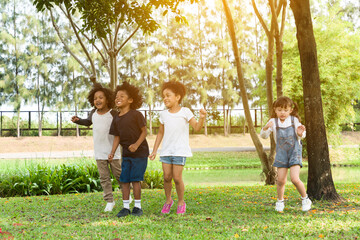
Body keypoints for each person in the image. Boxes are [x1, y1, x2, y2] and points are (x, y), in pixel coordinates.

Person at [149, 81, 206, 215]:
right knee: (167, 177)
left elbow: (197, 127)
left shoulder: (185, 112)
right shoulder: (163, 114)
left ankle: (181, 202)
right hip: (166, 151)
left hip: (180, 151)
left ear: (178, 97)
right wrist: (155, 150)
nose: (165, 98)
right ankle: (168, 201)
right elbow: (161, 133)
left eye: (168, 95)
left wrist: (202, 118)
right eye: (163, 96)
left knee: (177, 178)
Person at [71, 83, 121, 212]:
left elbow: (121, 129)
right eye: (95, 98)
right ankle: (109, 201)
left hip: (113, 151)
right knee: (104, 178)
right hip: (99, 152)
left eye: (101, 97)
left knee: (119, 175)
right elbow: (88, 122)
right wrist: (78, 120)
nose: (97, 100)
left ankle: (127, 195)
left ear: (107, 99)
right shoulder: (93, 112)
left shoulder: (113, 113)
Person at [260, 96, 312, 212]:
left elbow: (301, 135)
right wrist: (265, 128)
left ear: (290, 110)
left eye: (285, 110)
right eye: (279, 110)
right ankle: (280, 202)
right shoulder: (273, 122)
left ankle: (305, 199)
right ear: (275, 110)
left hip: (294, 152)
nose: (282, 113)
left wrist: (300, 133)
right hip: (281, 152)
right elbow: (264, 136)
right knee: (281, 180)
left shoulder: (294, 120)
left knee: (294, 179)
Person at [108, 81, 149, 218]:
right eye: (116, 96)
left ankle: (137, 207)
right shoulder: (116, 118)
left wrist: (136, 145)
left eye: (122, 96)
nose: (118, 98)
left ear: (131, 100)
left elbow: (144, 132)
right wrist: (112, 152)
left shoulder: (136, 115)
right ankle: (125, 207)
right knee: (125, 179)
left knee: (135, 179)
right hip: (126, 154)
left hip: (140, 153)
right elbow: (117, 137)